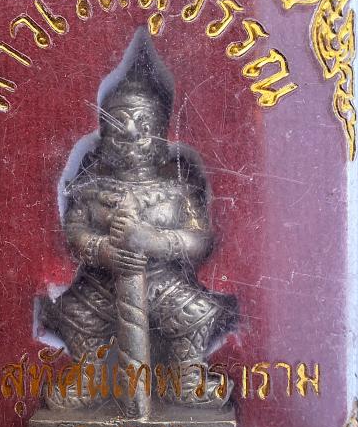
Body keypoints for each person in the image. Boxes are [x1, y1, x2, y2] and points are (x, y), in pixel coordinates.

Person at [40, 28, 237, 407]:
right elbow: (74, 232)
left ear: (161, 137)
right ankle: (90, 378)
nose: (130, 135)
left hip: (164, 282)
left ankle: (185, 378)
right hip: (103, 283)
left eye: (143, 127)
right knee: (77, 315)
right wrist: (103, 250)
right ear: (102, 136)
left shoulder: (177, 190)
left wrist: (154, 241)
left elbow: (200, 239)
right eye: (118, 125)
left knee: (197, 315)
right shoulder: (92, 189)